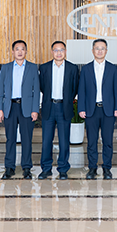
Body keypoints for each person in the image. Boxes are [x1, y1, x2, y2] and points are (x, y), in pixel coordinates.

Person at [78, 39, 117, 180]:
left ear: (106, 51)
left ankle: (107, 168)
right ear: (92, 51)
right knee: (91, 141)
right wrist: (81, 108)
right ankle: (92, 168)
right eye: (97, 48)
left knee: (107, 141)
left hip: (108, 110)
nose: (100, 51)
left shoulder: (112, 68)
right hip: (91, 110)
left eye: (102, 48)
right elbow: (81, 90)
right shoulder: (86, 69)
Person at [0, 40, 40, 180]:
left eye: (22, 49)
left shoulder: (32, 68)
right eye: (17, 49)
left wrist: (35, 109)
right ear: (12, 52)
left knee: (27, 138)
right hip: (10, 107)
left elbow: (36, 90)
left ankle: (26, 167)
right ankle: (9, 167)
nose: (20, 52)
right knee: (10, 138)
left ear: (26, 51)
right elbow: (0, 90)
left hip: (26, 107)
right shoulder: (6, 68)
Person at [38, 41, 79, 180]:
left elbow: (74, 87)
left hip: (64, 107)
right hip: (49, 106)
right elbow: (42, 86)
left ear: (65, 51)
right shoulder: (44, 68)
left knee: (64, 140)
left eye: (61, 50)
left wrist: (67, 100)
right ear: (52, 52)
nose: (59, 53)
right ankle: (46, 169)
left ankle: (63, 168)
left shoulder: (72, 68)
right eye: (56, 50)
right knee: (46, 140)